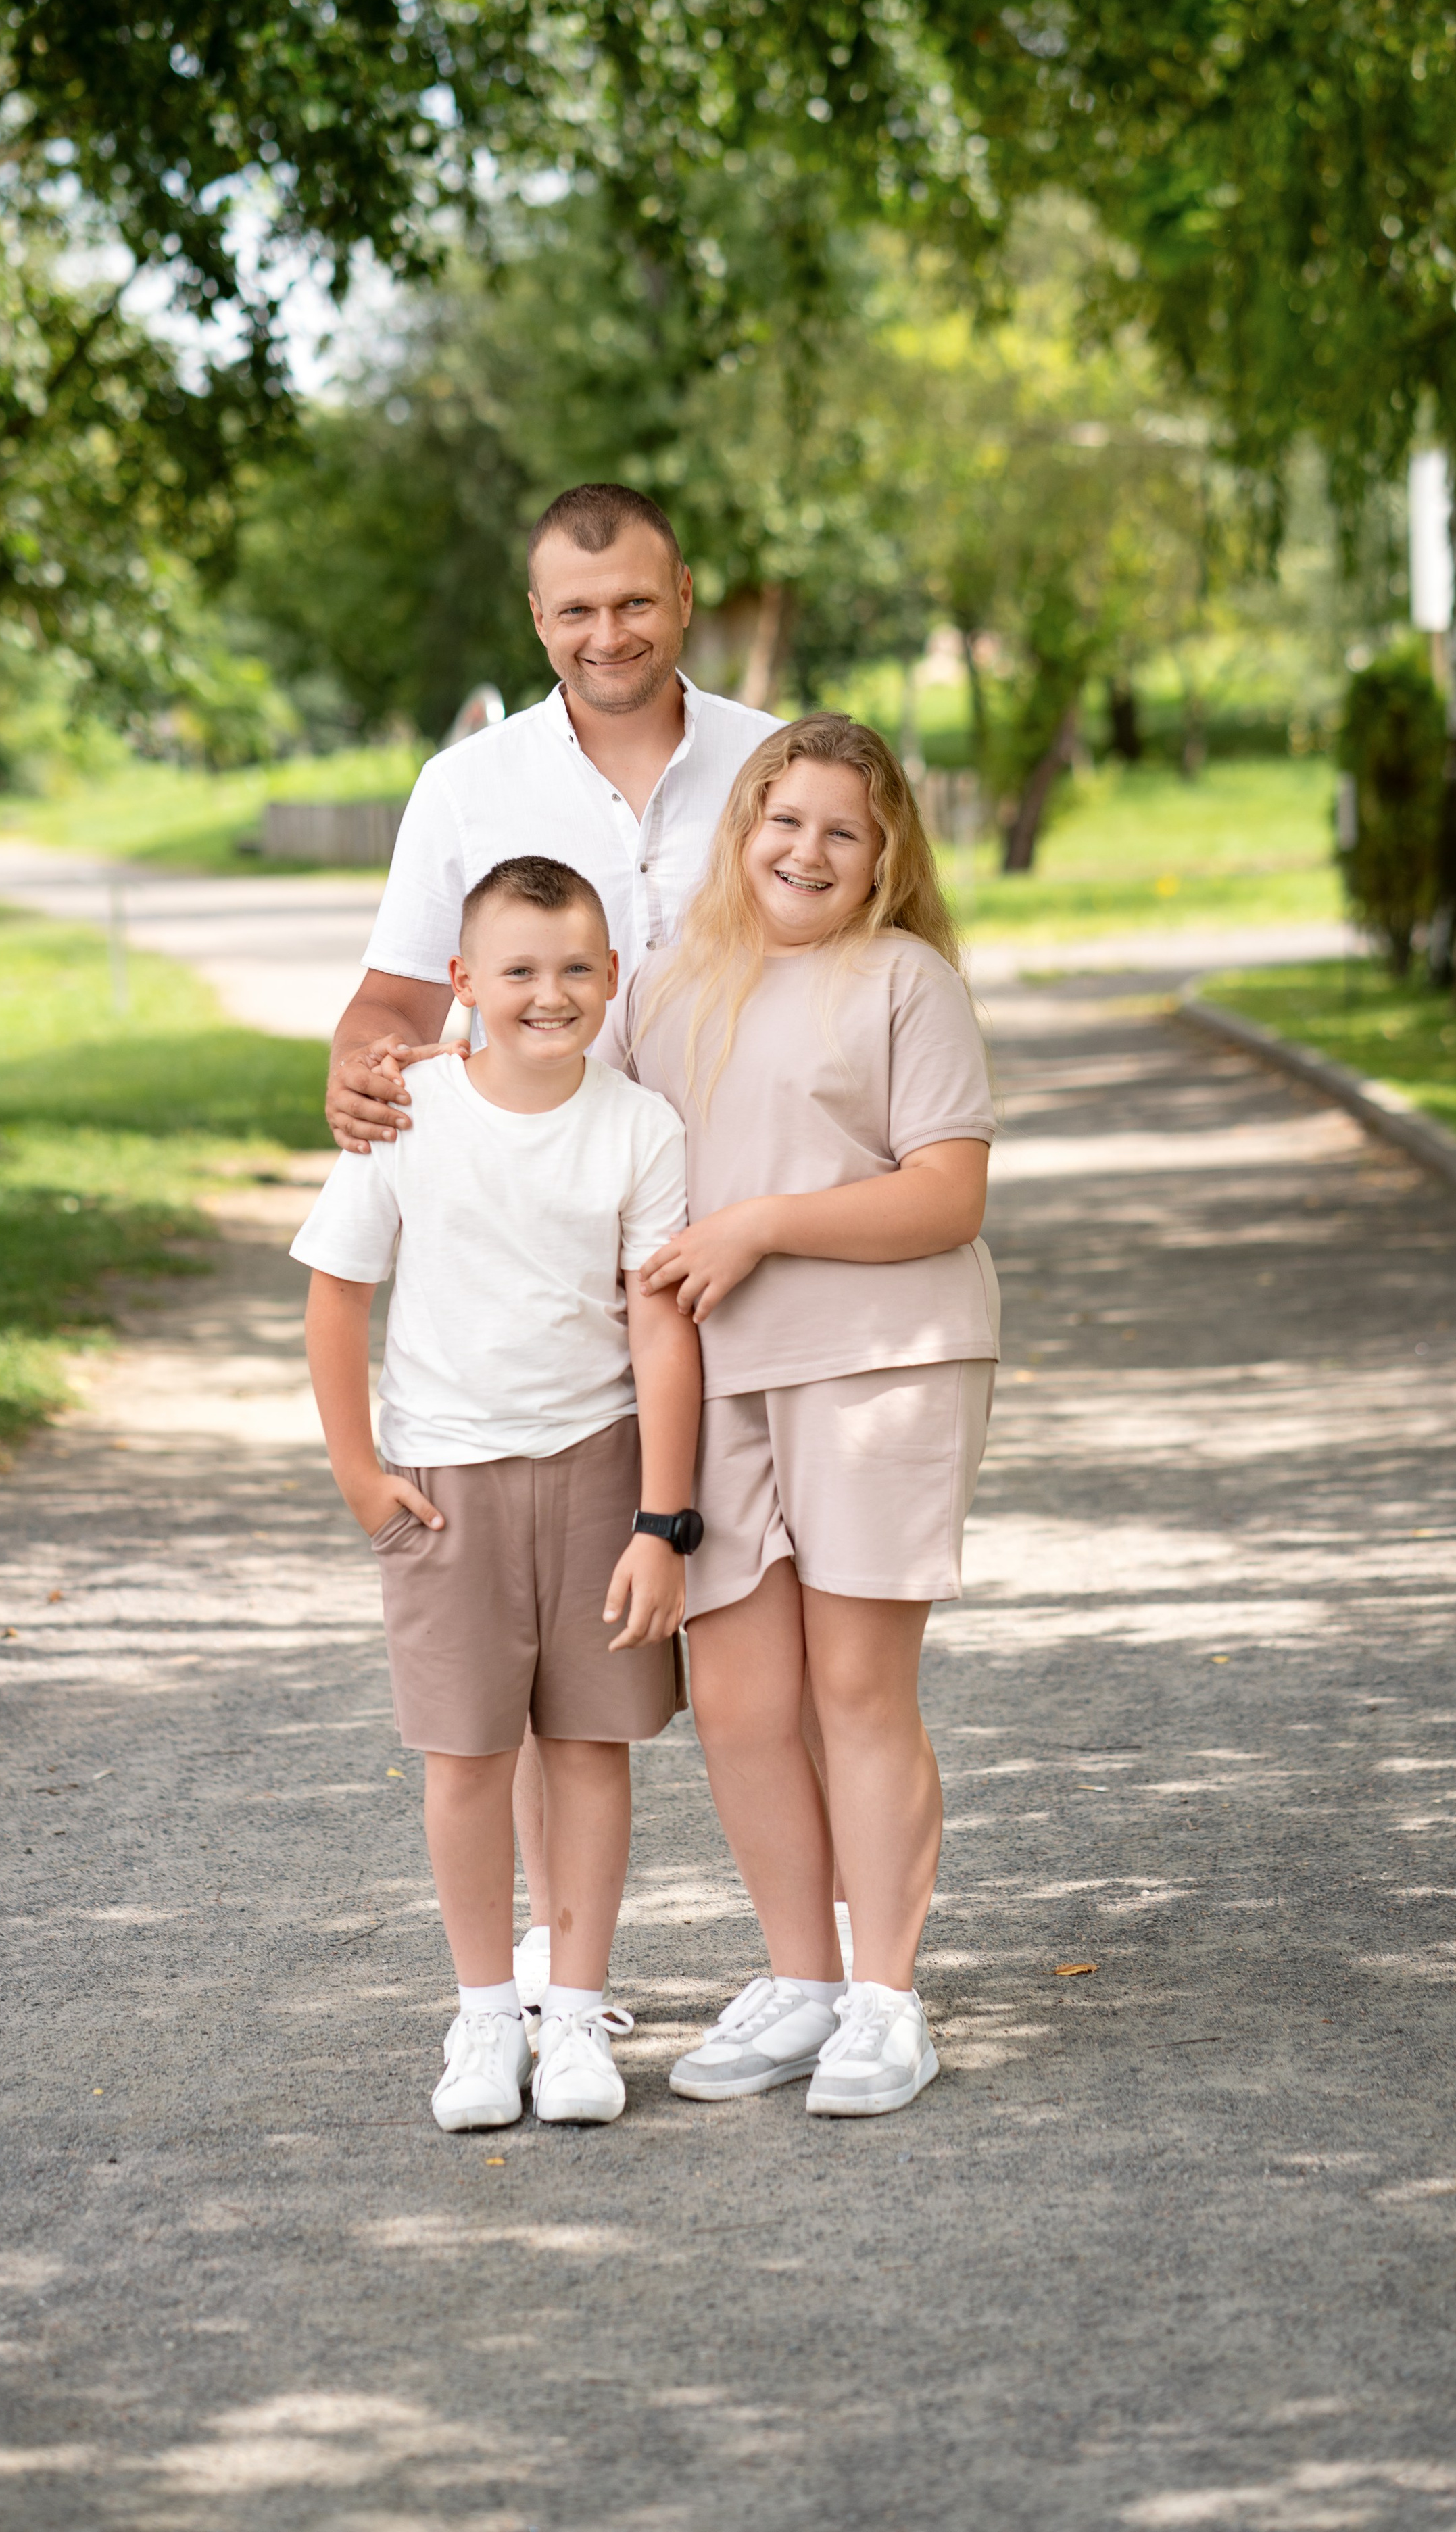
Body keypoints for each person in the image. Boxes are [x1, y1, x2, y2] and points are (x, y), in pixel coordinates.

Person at [323, 481, 783, 2014]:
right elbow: (396, 1002)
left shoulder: (766, 762)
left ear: (684, 595)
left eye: (634, 602)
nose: (608, 634)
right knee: (547, 1658)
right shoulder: (467, 783)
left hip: (745, 1222)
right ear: (537, 620)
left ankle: (815, 1966)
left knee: (742, 1625)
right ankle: (541, 1966)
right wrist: (358, 1064)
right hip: (541, 1246)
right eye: (576, 609)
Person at [620, 713, 1000, 2119]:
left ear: (883, 856)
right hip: (715, 1380)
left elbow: (945, 1195)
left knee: (854, 1689)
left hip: (879, 1365)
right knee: (736, 1699)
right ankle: (803, 1981)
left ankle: (888, 2002)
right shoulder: (666, 987)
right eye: (784, 820)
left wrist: (765, 1224)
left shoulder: (905, 982)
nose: (807, 849)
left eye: (843, 831)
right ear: (742, 828)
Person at [293, 856, 703, 2130]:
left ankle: (574, 2015)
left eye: (578, 969)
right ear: (461, 984)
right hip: (443, 1488)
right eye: (518, 971)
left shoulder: (641, 1127)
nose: (549, 994)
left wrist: (664, 1521)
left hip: (599, 1473)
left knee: (587, 1751)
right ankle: (484, 2018)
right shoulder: (409, 1113)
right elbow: (337, 1294)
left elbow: (659, 1330)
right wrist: (361, 1475)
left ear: (614, 979)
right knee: (466, 1761)